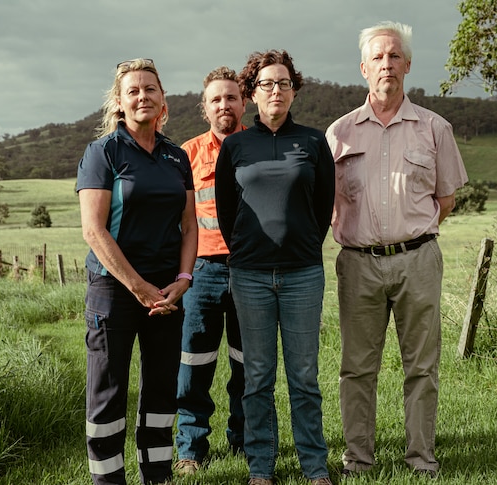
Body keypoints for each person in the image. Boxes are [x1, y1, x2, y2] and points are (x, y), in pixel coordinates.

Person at [325, 21, 468, 479]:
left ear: (407, 64)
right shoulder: (338, 133)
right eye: (378, 58)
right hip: (358, 265)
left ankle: (421, 460)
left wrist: (409, 238)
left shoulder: (435, 128)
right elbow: (327, 204)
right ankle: (358, 461)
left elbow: (445, 199)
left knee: (422, 368)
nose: (387, 64)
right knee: (356, 370)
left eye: (394, 56)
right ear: (364, 68)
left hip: (418, 261)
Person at [215, 49, 335, 485]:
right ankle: (260, 467)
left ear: (294, 89)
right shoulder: (235, 146)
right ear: (252, 92)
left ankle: (314, 466)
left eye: (284, 83)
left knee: (304, 376)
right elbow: (228, 212)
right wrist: (247, 253)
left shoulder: (314, 142)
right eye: (267, 83)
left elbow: (323, 207)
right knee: (258, 377)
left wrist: (301, 247)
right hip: (249, 276)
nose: (276, 90)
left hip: (303, 274)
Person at [76, 57, 197, 485]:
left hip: (166, 293)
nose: (142, 96)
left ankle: (158, 478)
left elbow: (189, 224)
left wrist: (182, 280)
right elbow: (93, 230)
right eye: (133, 91)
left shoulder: (176, 157)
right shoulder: (103, 152)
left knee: (163, 390)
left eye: (150, 89)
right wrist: (139, 287)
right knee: (108, 395)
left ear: (163, 100)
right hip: (114, 290)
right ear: (120, 102)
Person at [174, 66, 247, 476]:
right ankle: (191, 449)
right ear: (205, 108)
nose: (224, 105)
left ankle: (243, 442)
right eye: (216, 99)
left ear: (243, 102)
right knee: (194, 364)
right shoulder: (187, 154)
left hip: (250, 272)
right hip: (202, 271)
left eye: (231, 97)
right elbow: (179, 219)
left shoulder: (257, 147)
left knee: (247, 365)